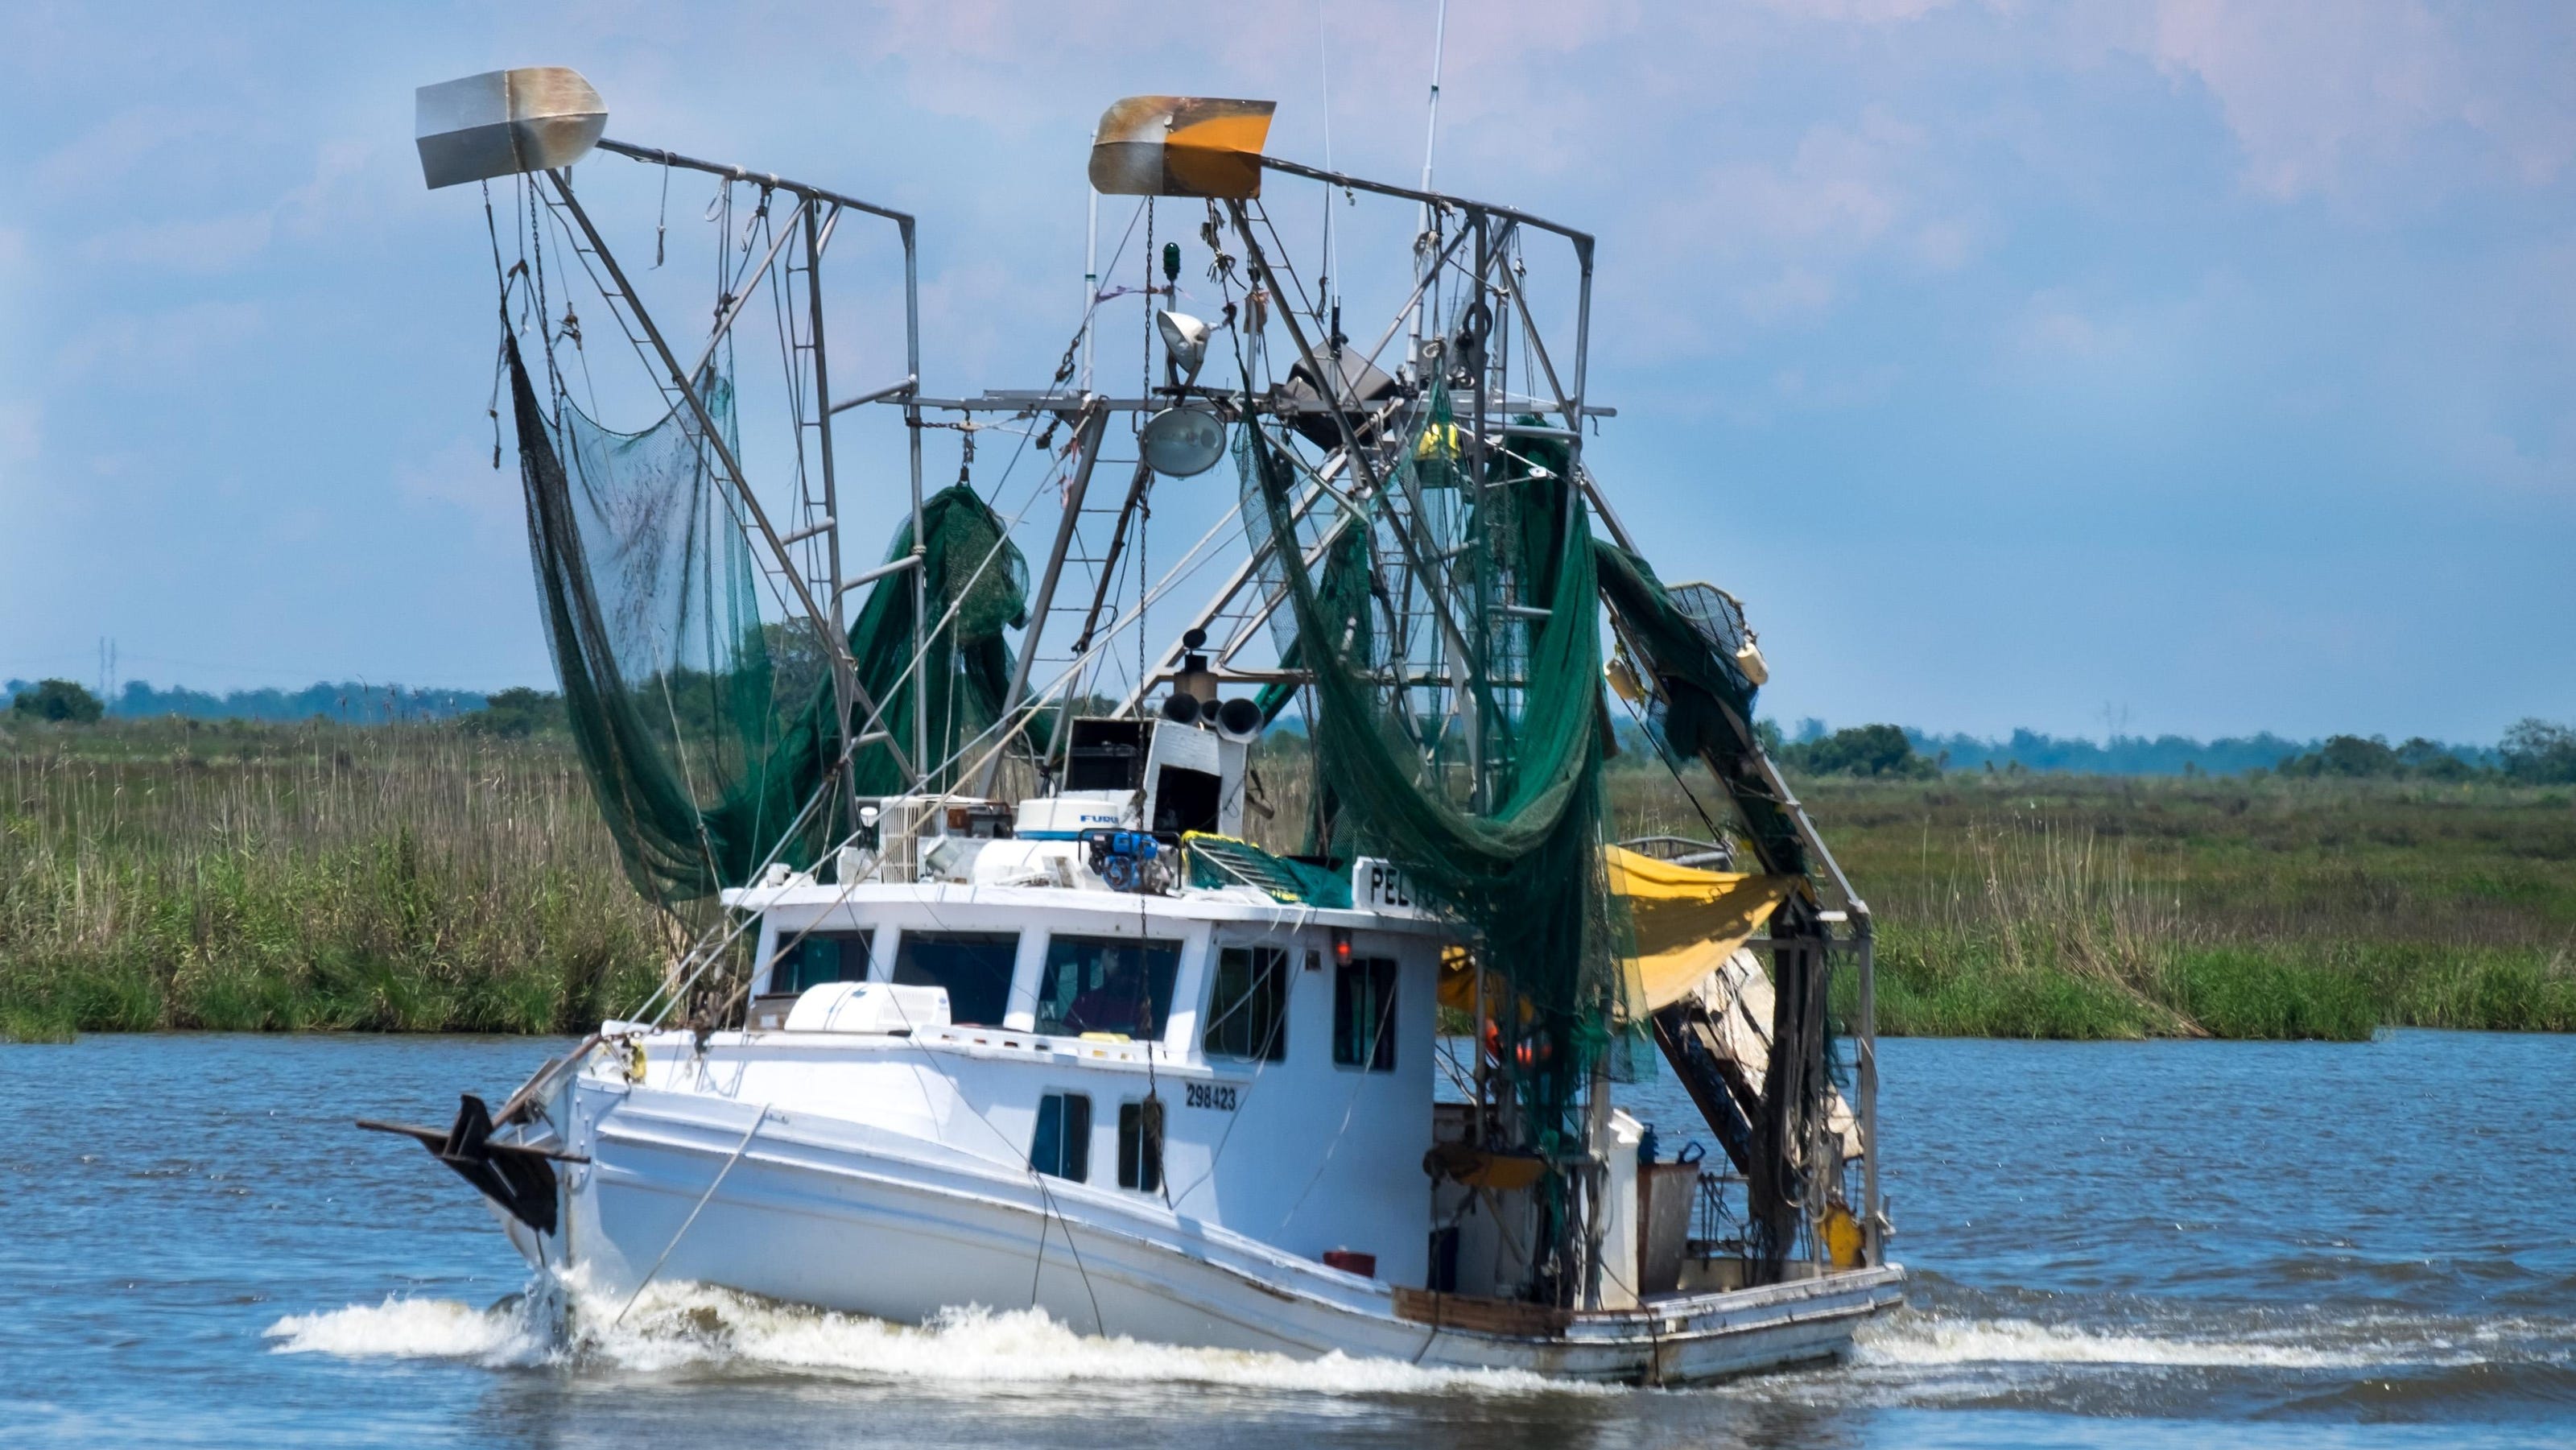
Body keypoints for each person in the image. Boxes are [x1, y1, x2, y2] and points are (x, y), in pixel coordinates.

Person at [1064, 951, 1150, 1037]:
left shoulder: (1144, 1008)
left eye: (1131, 974)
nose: (1126, 979)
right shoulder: (1085, 1001)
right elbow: (1066, 1035)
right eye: (1121, 973)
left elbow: (1148, 1040)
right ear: (1109, 974)